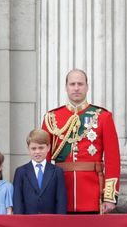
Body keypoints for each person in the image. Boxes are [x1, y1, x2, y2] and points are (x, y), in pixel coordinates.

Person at [40, 69, 121, 214]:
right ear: (66, 87)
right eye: (72, 84)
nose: (76, 88)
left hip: (93, 193)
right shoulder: (52, 118)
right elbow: (43, 159)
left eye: (80, 84)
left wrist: (109, 196)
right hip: (61, 191)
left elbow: (112, 159)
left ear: (87, 87)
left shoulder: (103, 117)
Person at [12, 129, 66, 215]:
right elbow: (17, 199)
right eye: (33, 148)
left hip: (50, 220)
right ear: (28, 149)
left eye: (41, 148)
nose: (37, 152)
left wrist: (60, 221)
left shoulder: (57, 171)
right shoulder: (21, 172)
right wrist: (19, 221)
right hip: (28, 220)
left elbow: (61, 200)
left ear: (48, 147)